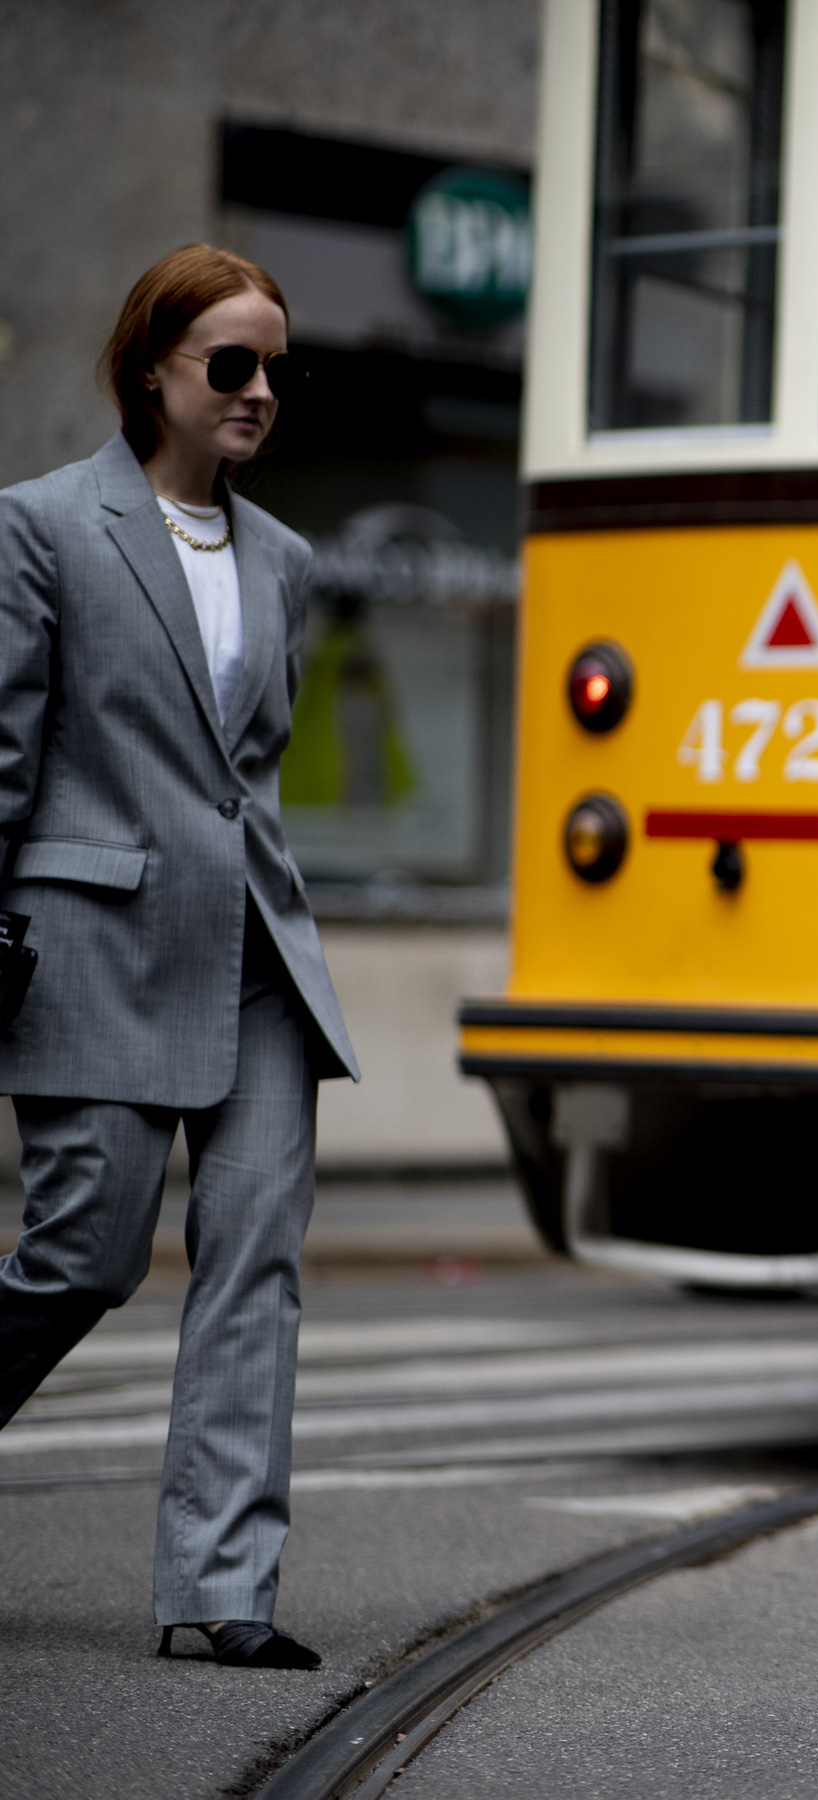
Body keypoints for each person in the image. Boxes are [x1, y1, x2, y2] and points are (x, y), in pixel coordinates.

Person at [0, 247, 359, 1668]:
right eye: (231, 364)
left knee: (254, 1259)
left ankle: (222, 1595)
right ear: (152, 367)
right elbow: (6, 748)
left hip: (259, 951)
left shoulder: (289, 561)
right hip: (93, 937)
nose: (260, 391)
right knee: (86, 1250)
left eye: (276, 367)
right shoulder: (42, 528)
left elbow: (248, 773)